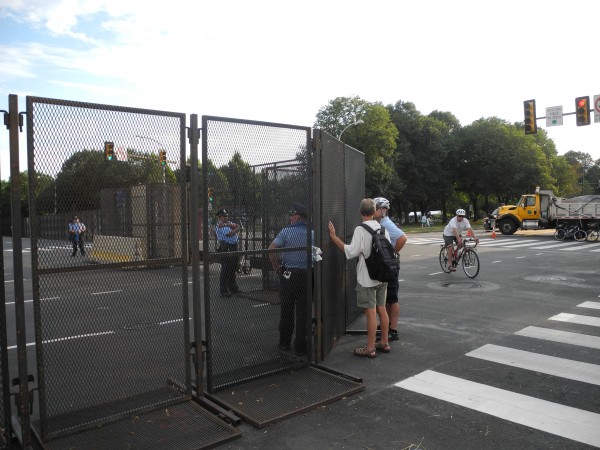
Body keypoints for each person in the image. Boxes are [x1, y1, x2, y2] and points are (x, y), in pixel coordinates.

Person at [328, 198, 391, 358]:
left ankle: (370, 348)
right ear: (375, 210)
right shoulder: (383, 229)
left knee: (370, 313)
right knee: (382, 309)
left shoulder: (361, 230)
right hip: (382, 276)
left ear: (360, 212)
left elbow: (350, 252)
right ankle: (384, 341)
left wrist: (334, 237)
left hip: (366, 277)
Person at [269, 202, 310, 356]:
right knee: (303, 311)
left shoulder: (286, 232)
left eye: (292, 215)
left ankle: (285, 343)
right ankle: (301, 346)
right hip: (306, 274)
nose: (290, 217)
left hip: (288, 274)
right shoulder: (312, 233)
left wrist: (277, 268)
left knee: (286, 309)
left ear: (298, 216)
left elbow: (271, 249)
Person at [373, 197, 407, 342]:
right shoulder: (380, 223)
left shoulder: (386, 223)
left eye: (375, 208)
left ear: (382, 210)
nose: (373, 211)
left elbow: (402, 238)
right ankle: (386, 325)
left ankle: (393, 329)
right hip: (388, 264)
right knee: (387, 297)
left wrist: (392, 253)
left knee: (392, 298)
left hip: (391, 265)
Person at [215, 209, 240, 296]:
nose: (226, 217)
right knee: (226, 269)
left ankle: (233, 288)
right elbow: (230, 233)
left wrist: (232, 226)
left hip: (233, 247)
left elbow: (238, 225)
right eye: (224, 216)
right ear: (220, 217)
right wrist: (236, 228)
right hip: (226, 247)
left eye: (226, 215)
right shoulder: (220, 225)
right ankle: (224, 290)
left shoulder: (225, 224)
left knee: (233, 268)